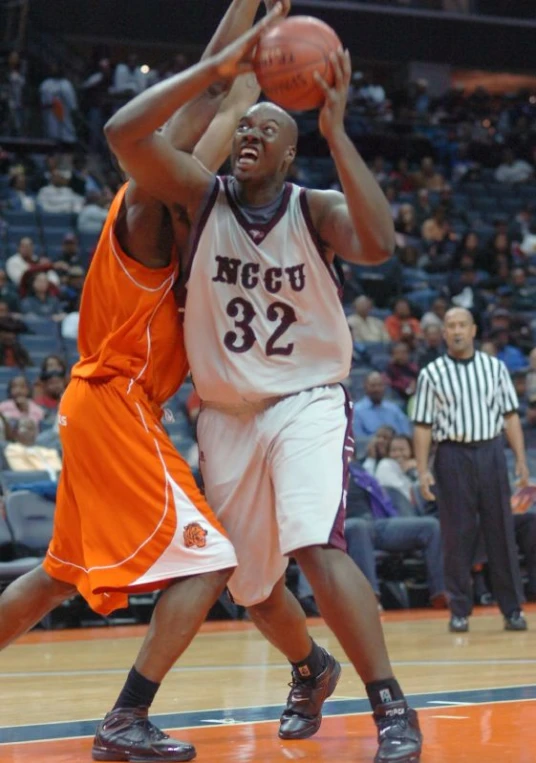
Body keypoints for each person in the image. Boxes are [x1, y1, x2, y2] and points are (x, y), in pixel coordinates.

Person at [106, 25, 422, 763]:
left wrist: (337, 133)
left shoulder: (313, 208)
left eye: (266, 129)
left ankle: (393, 708)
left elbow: (379, 244)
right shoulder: (198, 197)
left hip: (306, 399)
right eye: (243, 126)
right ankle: (311, 668)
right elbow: (126, 136)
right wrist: (214, 73)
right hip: (226, 415)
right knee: (249, 587)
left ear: (289, 152)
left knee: (314, 541)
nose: (249, 134)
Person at [0, 4, 284, 763]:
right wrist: (218, 66)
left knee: (58, 573)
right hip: (115, 401)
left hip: (97, 407)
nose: (210, 163)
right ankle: (126, 715)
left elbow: (219, 108)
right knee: (211, 557)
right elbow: (184, 116)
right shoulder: (145, 212)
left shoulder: (191, 204)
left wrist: (243, 33)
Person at [413, 307, 529, 633]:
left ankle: (512, 609)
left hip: (491, 451)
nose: (457, 330)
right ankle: (459, 609)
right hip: (451, 454)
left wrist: (519, 458)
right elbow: (422, 426)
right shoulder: (431, 373)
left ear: (474, 329)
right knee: (456, 534)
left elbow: (509, 417)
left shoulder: (494, 368)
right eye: (451, 325)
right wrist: (422, 471)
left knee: (501, 532)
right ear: (444, 333)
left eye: (462, 324)